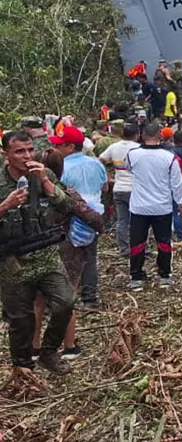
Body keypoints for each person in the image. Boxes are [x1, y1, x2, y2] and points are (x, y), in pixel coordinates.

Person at [0, 131, 80, 375]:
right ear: (6, 155)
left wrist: (45, 181)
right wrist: (5, 205)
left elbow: (67, 205)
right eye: (19, 151)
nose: (26, 156)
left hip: (46, 254)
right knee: (20, 320)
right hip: (13, 260)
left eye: (29, 150)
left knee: (65, 302)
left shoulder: (43, 174)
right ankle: (23, 368)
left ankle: (48, 352)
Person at [33, 149, 104, 361]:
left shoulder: (28, 195)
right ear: (61, 169)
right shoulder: (66, 193)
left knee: (38, 300)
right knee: (66, 299)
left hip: (36, 251)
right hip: (67, 252)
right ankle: (69, 346)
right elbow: (93, 217)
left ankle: (34, 348)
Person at [50, 126, 106, 311]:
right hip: (92, 217)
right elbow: (105, 187)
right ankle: (90, 298)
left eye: (59, 145)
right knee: (89, 257)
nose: (56, 148)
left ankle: (65, 298)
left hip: (69, 217)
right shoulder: (96, 163)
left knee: (65, 257)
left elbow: (60, 194)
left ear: (70, 147)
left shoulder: (62, 167)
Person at [125, 123, 182, 290]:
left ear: (142, 135)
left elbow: (128, 169)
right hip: (162, 207)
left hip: (139, 207)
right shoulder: (169, 157)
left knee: (137, 242)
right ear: (160, 136)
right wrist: (180, 202)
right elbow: (177, 183)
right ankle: (164, 275)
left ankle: (136, 277)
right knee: (164, 242)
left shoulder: (132, 155)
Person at [99, 123, 140, 257]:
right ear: (137, 135)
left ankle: (124, 248)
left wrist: (108, 176)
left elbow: (100, 160)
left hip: (119, 188)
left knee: (122, 220)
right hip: (135, 189)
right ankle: (137, 247)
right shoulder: (138, 148)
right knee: (137, 220)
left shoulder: (114, 147)